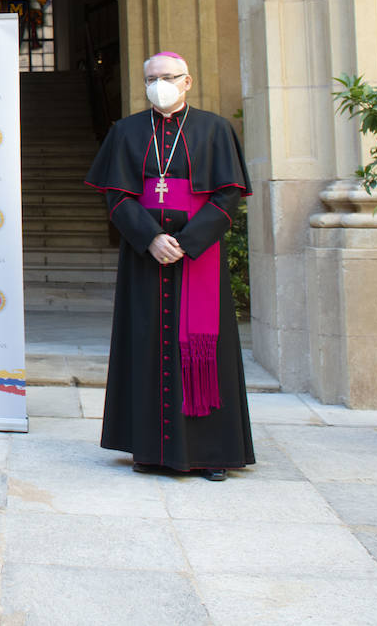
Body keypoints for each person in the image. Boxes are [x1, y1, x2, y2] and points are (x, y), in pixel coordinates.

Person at [84, 52, 255, 481]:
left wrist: (187, 242)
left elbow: (227, 196)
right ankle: (149, 449)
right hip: (145, 258)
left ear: (187, 81)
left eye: (168, 77)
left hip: (198, 257)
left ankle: (211, 453)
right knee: (145, 348)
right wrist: (150, 238)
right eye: (151, 79)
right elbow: (117, 197)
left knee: (203, 351)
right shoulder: (125, 132)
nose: (159, 84)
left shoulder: (215, 129)